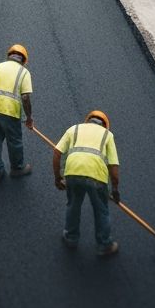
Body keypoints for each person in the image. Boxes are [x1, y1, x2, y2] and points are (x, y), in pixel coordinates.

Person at [53, 110, 120, 257]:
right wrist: (115, 189)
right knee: (101, 210)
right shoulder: (107, 135)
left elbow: (57, 153)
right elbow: (113, 167)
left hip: (72, 173)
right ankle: (104, 245)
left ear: (87, 121)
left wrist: (58, 178)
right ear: (105, 125)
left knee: (73, 205)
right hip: (97, 177)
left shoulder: (74, 129)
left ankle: (71, 238)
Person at [0, 44, 33, 181]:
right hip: (10, 112)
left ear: (9, 56)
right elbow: (25, 97)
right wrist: (29, 118)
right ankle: (17, 168)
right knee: (14, 141)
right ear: (23, 60)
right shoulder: (24, 72)